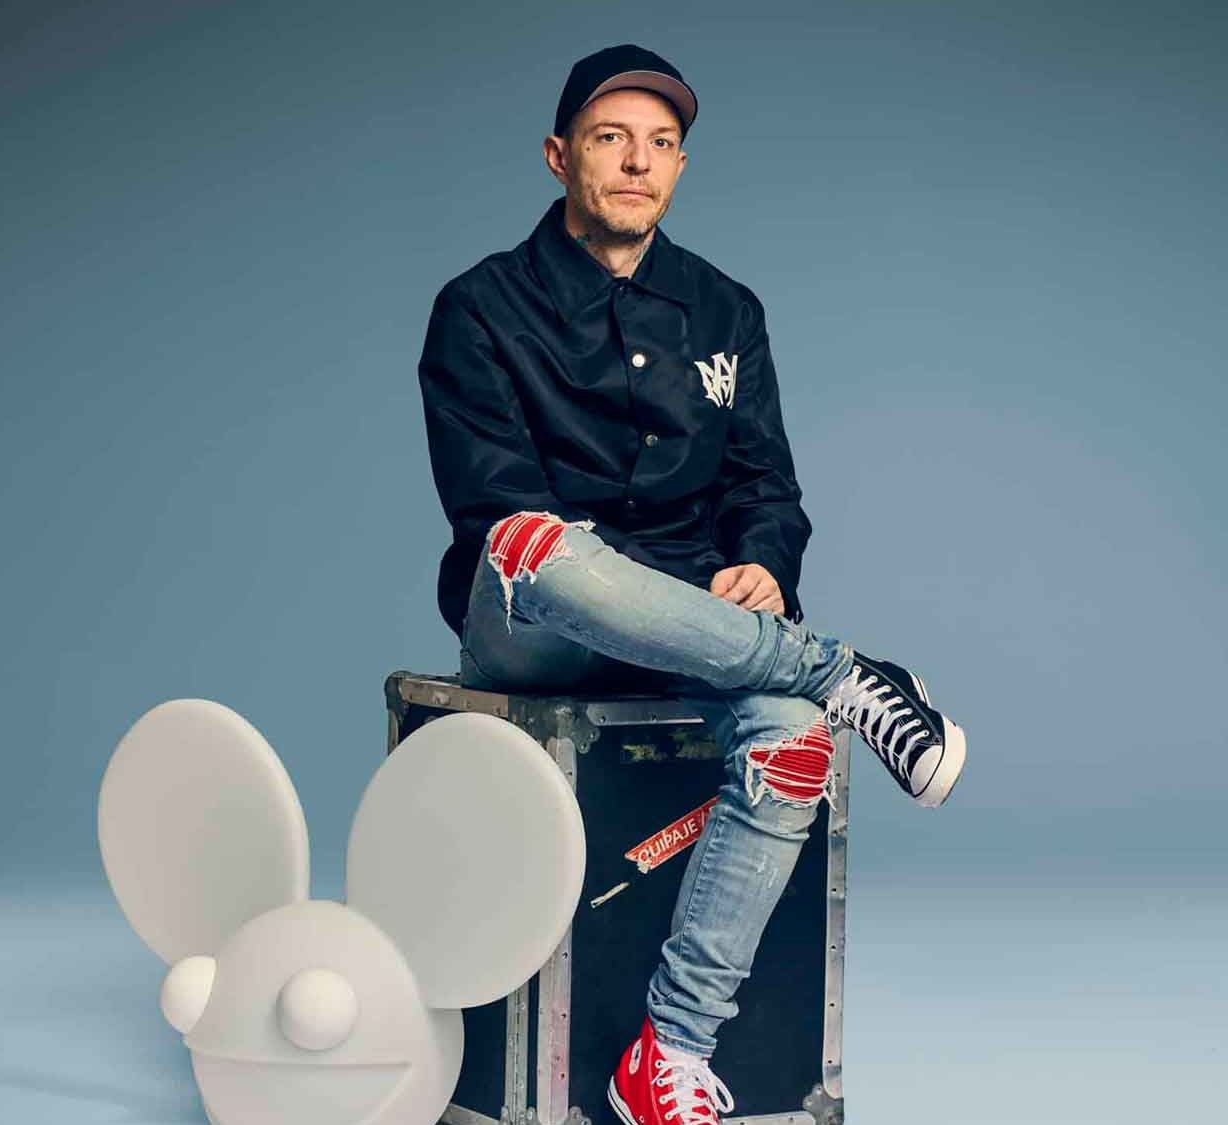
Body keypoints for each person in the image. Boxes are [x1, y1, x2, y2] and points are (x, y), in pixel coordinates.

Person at [414, 43, 969, 1125]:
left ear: (678, 166)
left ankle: (667, 1051)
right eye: (610, 139)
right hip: (533, 621)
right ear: (558, 156)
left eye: (660, 144)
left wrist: (762, 561)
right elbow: (492, 509)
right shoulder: (479, 306)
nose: (637, 163)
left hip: (699, 626)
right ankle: (839, 670)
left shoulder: (726, 311)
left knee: (793, 740)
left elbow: (766, 485)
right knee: (538, 542)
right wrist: (713, 617)